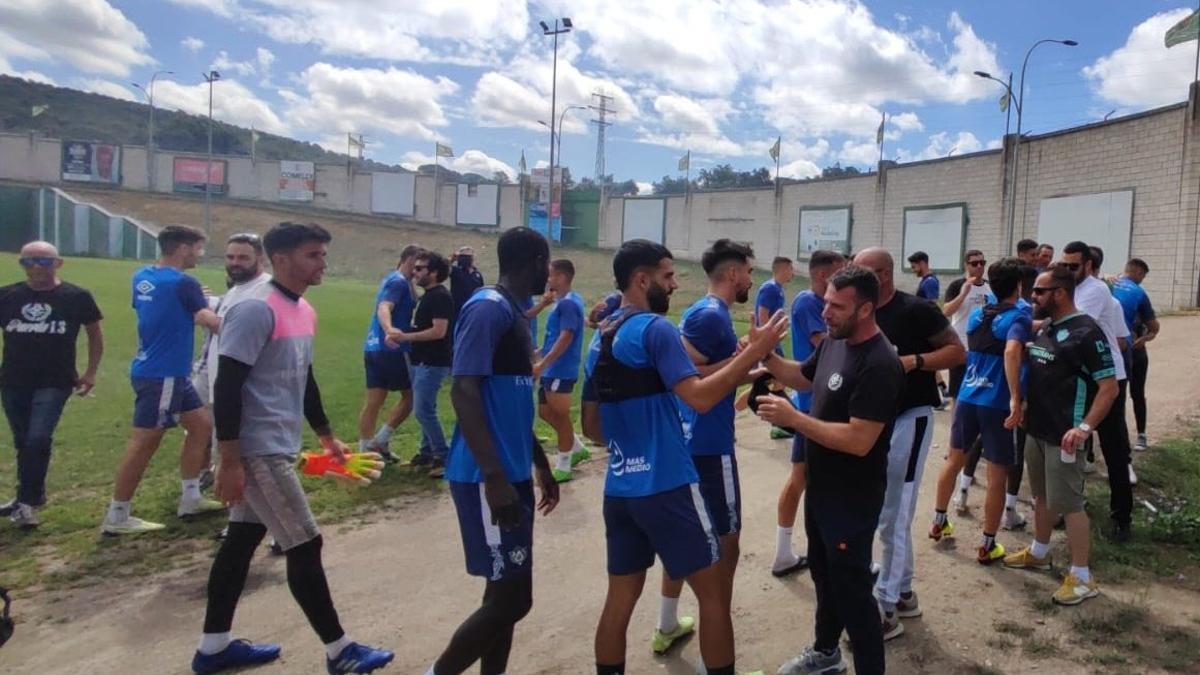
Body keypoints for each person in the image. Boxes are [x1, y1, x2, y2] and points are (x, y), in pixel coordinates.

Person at [192, 222, 394, 675]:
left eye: (322, 254)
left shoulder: (301, 308)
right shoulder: (255, 309)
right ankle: (340, 651)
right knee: (305, 542)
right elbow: (227, 388)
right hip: (256, 449)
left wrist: (326, 436)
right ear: (280, 259)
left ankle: (213, 649)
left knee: (242, 541)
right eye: (313, 255)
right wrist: (228, 461)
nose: (322, 263)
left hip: (275, 444)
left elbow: (303, 376)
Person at [590, 239, 786, 675]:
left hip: (620, 486)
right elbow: (698, 398)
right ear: (643, 280)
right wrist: (754, 353)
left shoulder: (601, 336)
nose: (676, 284)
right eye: (668, 275)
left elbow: (591, 427)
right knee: (714, 595)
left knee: (619, 598)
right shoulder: (654, 329)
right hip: (667, 484)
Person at [756, 265, 904, 675]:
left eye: (837, 307)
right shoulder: (835, 342)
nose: (826, 313)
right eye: (825, 303)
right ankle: (826, 655)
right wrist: (765, 354)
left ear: (866, 308)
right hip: (822, 491)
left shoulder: (879, 363)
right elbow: (802, 378)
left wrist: (795, 420)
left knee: (855, 596)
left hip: (852, 499)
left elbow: (860, 440)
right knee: (825, 578)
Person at [426, 228, 560, 675]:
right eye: (548, 264)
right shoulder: (488, 308)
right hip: (488, 477)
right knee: (513, 599)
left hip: (512, 471)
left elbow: (513, 404)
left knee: (501, 593)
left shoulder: (514, 313)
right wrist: (496, 478)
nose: (550, 273)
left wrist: (540, 465)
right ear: (537, 261)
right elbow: (463, 392)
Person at [854, 248, 965, 640]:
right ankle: (901, 592)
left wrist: (913, 362)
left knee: (894, 513)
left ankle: (883, 607)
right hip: (871, 424)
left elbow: (956, 351)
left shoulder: (915, 310)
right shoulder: (860, 311)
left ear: (884, 274)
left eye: (864, 272)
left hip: (909, 418)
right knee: (883, 509)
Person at [656, 239, 759, 655]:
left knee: (687, 537)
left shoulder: (706, 312)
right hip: (710, 444)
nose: (752, 279)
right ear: (734, 274)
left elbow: (698, 369)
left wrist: (748, 361)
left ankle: (667, 624)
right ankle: (718, 635)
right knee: (726, 542)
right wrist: (755, 358)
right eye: (749, 271)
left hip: (693, 438)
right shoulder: (713, 315)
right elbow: (690, 374)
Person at [1003, 265, 1117, 606]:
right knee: (1040, 497)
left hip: (1065, 434)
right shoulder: (1050, 325)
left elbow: (1108, 388)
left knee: (1069, 505)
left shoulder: (1087, 332)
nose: (1032, 296)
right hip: (1037, 429)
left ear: (1059, 293)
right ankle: (1040, 550)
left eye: (1039, 291)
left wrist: (1083, 428)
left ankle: (1082, 576)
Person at [102, 225, 222, 535]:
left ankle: (192, 497)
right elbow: (210, 322)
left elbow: (161, 309)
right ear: (183, 248)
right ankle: (117, 515)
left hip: (163, 371)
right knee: (145, 442)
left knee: (200, 426)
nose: (199, 254)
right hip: (164, 373)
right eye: (197, 248)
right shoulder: (185, 283)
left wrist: (197, 300)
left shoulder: (143, 276)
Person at [928, 259, 1030, 564]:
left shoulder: (976, 315)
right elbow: (1012, 350)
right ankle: (988, 544)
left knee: (954, 458)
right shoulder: (1020, 316)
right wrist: (1016, 397)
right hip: (997, 403)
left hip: (968, 396)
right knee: (998, 472)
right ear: (1019, 286)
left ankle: (938, 520)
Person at [0, 242, 103, 529]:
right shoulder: (8, 295)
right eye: (28, 262)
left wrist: (90, 372)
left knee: (38, 438)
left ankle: (26, 503)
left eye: (43, 262)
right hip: (13, 380)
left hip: (55, 381)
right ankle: (27, 496)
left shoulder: (76, 296)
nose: (35, 268)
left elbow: (95, 335)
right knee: (23, 441)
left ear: (58, 263)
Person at [772, 250, 845, 577]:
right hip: (813, 404)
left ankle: (785, 553)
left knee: (803, 477)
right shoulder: (807, 303)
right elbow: (826, 343)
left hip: (819, 401)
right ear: (821, 276)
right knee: (817, 480)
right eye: (839, 273)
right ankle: (824, 555)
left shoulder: (817, 301)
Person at [1060, 242, 1133, 541]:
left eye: (1073, 266)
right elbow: (1120, 337)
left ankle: (1121, 518)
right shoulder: (1074, 291)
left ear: (1089, 266)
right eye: (1063, 266)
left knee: (1113, 449)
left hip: (1107, 380)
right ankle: (1071, 508)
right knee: (1072, 444)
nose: (1067, 271)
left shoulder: (1096, 290)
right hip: (1082, 377)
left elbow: (1072, 325)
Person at [358, 244, 423, 463]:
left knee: (374, 401)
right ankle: (380, 440)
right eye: (418, 262)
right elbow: (384, 307)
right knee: (411, 396)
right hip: (393, 348)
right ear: (409, 259)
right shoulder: (398, 282)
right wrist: (390, 330)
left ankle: (365, 449)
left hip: (373, 346)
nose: (421, 268)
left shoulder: (394, 279)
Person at [392, 251, 454, 476]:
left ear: (434, 273)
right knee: (426, 408)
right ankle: (426, 453)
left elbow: (439, 331)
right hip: (421, 360)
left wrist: (406, 337)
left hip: (433, 361)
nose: (414, 272)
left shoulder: (439, 297)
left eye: (420, 269)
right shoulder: (428, 296)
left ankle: (443, 457)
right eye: (414, 268)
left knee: (422, 410)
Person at [532, 259, 589, 483]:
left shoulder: (568, 304)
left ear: (562, 277)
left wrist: (543, 363)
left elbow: (566, 337)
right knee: (545, 412)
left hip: (560, 369)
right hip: (551, 368)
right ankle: (576, 446)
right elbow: (555, 335)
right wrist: (539, 354)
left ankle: (564, 463)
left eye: (551, 275)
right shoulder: (564, 301)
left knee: (561, 415)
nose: (548, 279)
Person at [1111, 258, 1159, 451]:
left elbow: (1153, 328)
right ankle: (1139, 436)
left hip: (1125, 350)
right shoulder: (1138, 293)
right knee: (1133, 394)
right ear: (1138, 272)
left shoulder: (1108, 285)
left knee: (1116, 395)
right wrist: (1146, 338)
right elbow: (1155, 327)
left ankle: (1132, 437)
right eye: (1143, 275)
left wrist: (1144, 338)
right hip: (1131, 351)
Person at [942, 250, 990, 404]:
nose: (979, 267)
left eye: (982, 263)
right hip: (961, 344)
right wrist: (963, 294)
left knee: (980, 386)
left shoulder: (990, 287)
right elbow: (947, 310)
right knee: (958, 389)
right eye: (974, 263)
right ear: (966, 265)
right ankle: (955, 426)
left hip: (982, 345)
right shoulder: (957, 285)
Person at [582, 289, 622, 445]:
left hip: (603, 366)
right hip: (593, 363)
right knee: (590, 426)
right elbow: (593, 323)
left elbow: (594, 323)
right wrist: (593, 315)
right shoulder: (614, 298)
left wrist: (593, 319)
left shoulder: (616, 299)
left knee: (597, 420)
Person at [756, 256, 793, 327]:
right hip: (765, 337)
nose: (793, 273)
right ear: (784, 270)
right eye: (791, 268)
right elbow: (762, 318)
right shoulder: (770, 288)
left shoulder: (778, 289)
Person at [449, 246, 485, 316]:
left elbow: (481, 291)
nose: (465, 259)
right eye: (463, 257)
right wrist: (452, 259)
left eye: (468, 257)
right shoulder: (455, 271)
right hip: (457, 310)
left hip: (473, 309)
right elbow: (441, 268)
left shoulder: (477, 274)